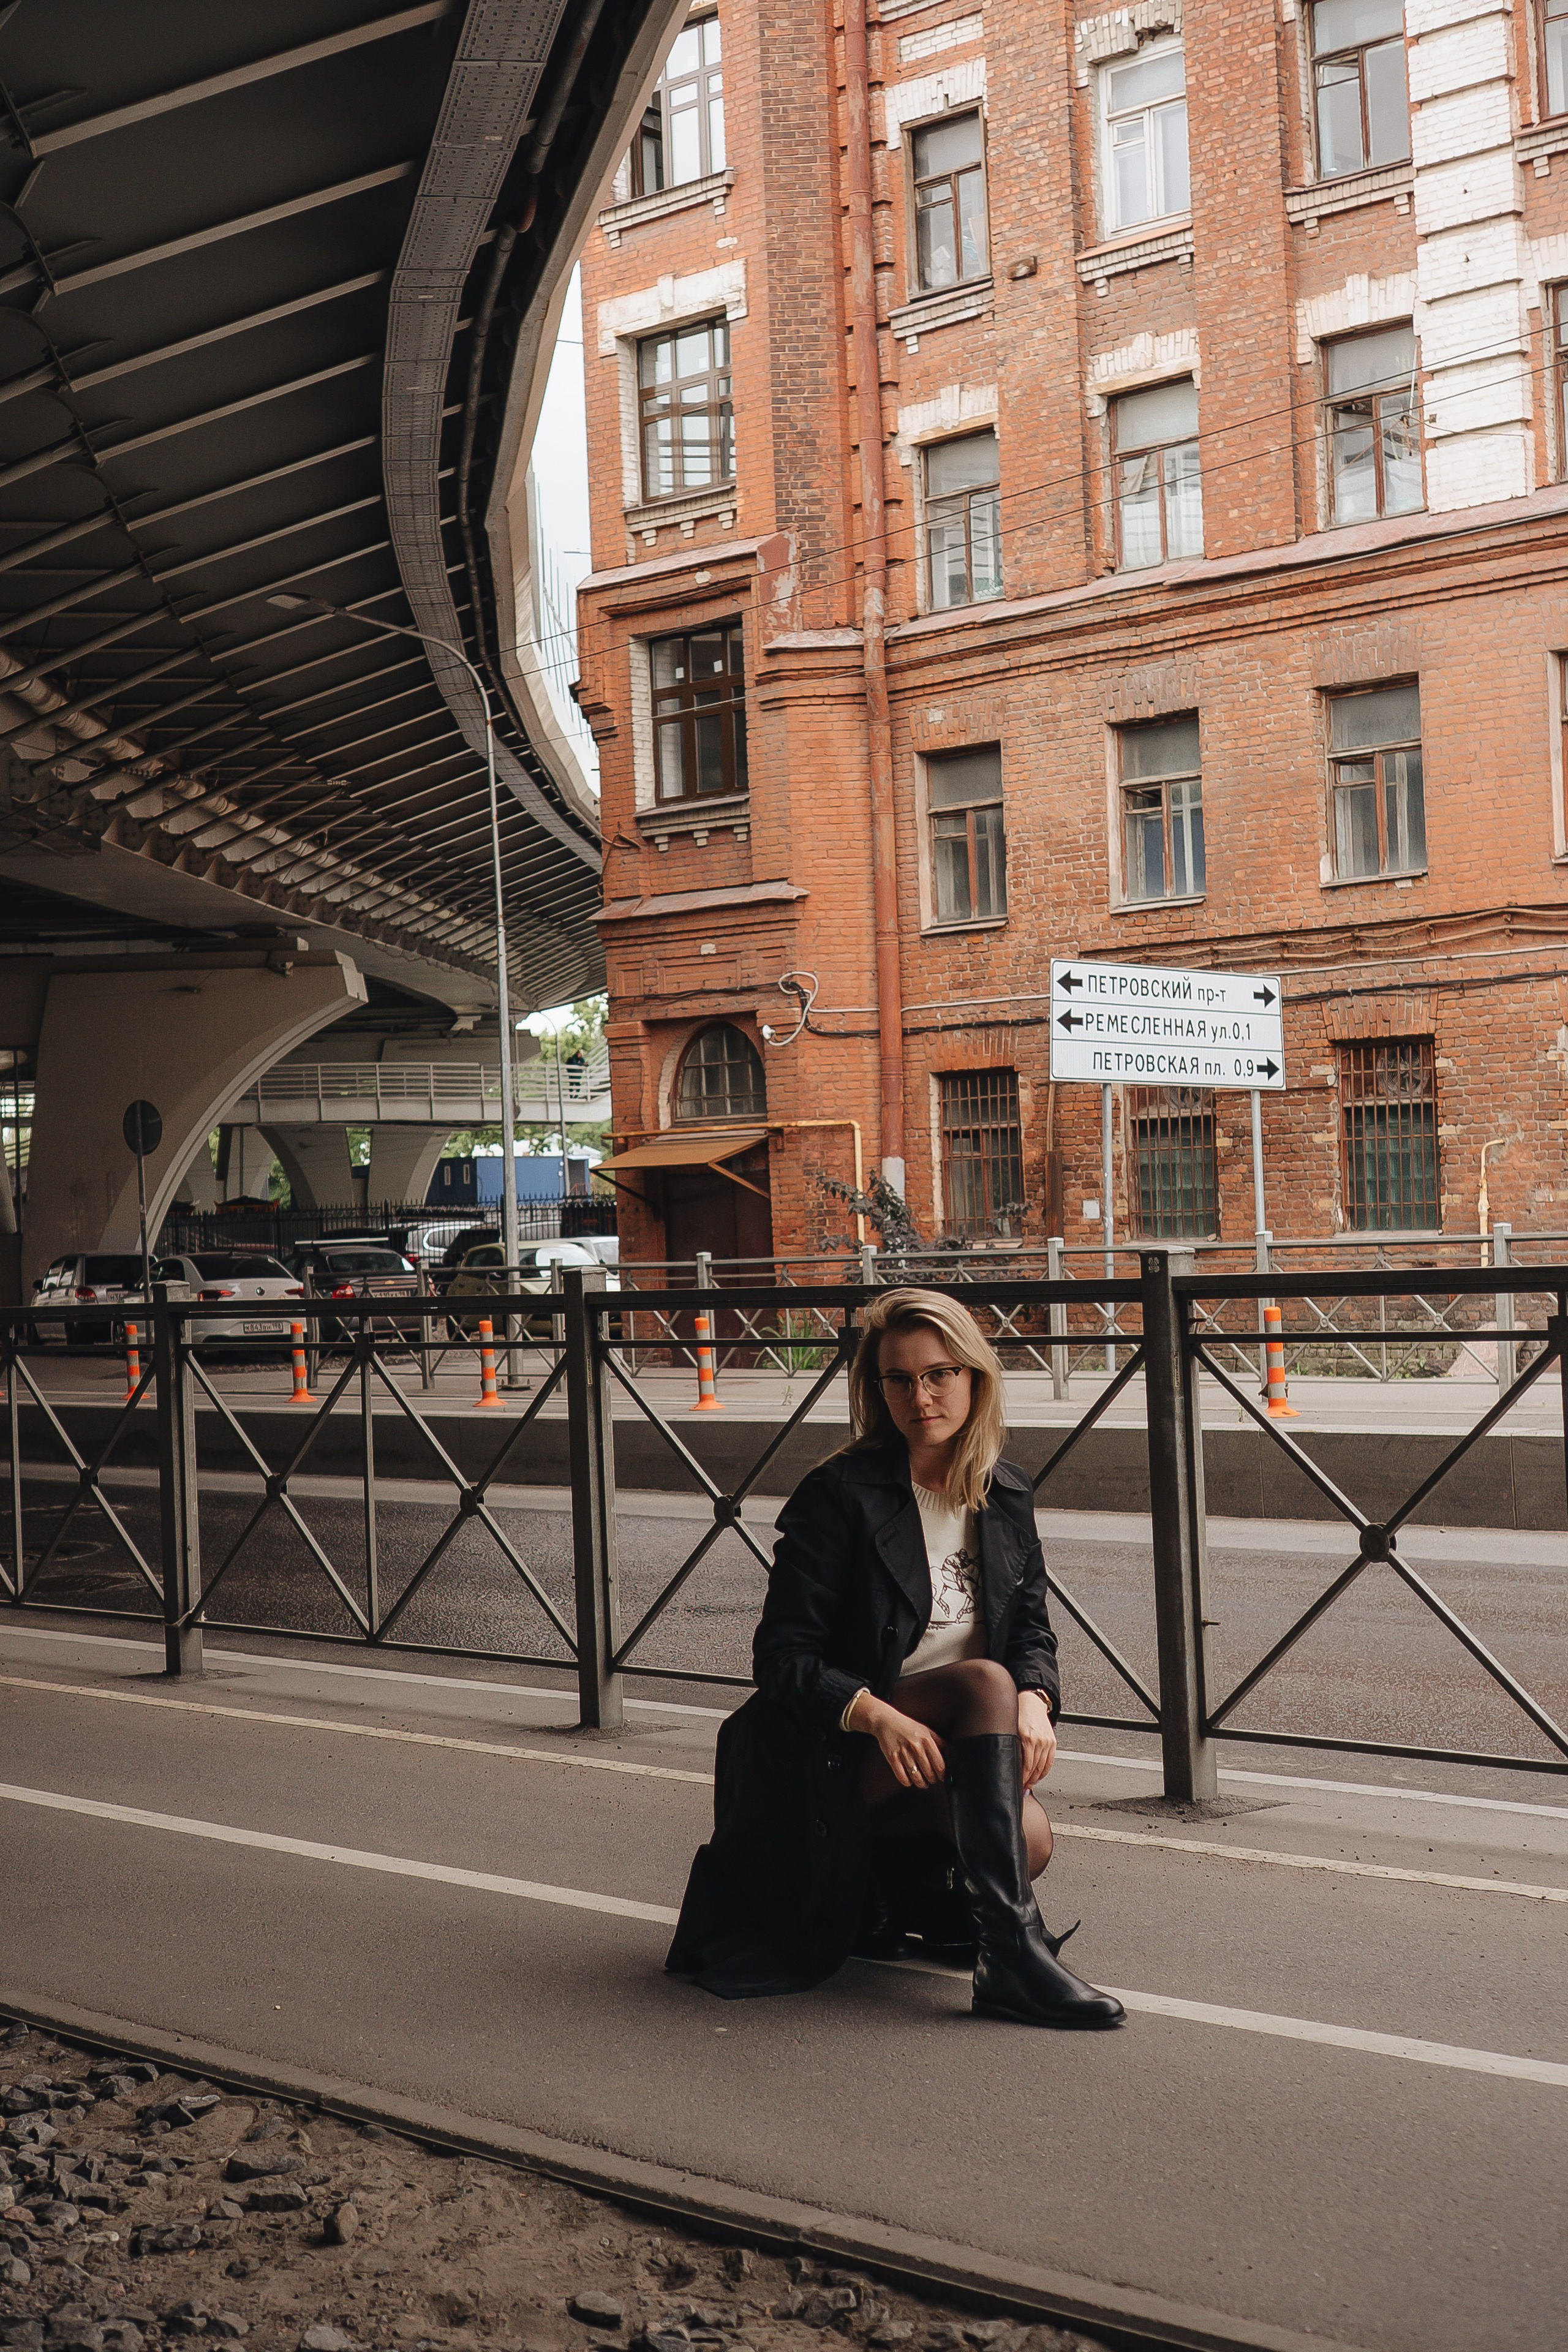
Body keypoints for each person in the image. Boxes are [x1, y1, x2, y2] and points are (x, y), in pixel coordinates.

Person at [666, 1287, 1125, 2029]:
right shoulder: (840, 1495)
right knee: (984, 1682)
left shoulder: (1003, 1494)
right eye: (900, 1379)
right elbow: (782, 1658)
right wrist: (876, 1715)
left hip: (935, 1752)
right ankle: (1012, 1958)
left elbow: (1032, 1630)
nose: (922, 1396)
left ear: (975, 1378)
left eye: (940, 1373)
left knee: (1031, 1836)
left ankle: (883, 1893)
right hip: (823, 1749)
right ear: (877, 1390)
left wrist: (1035, 1700)